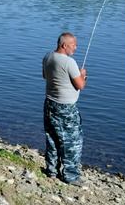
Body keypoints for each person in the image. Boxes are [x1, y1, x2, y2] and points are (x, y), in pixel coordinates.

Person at [42, 32, 88, 186]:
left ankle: (51, 171)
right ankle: (70, 176)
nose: (76, 47)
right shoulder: (70, 62)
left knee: (52, 137)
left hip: (49, 104)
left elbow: (45, 76)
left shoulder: (48, 57)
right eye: (73, 44)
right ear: (64, 45)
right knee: (72, 142)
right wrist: (82, 75)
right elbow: (80, 86)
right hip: (66, 108)